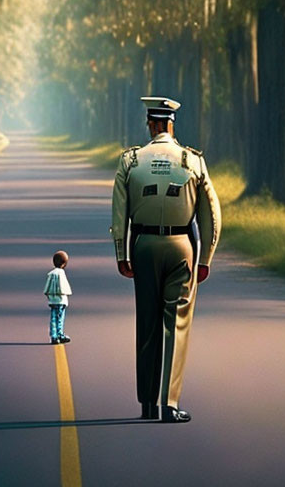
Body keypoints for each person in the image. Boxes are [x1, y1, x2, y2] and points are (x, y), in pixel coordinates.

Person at [110, 96, 221, 423]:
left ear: (151, 124)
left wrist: (122, 252)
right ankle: (168, 404)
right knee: (177, 323)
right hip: (181, 246)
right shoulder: (192, 160)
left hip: (143, 244)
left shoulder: (131, 160)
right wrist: (206, 257)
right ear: (171, 124)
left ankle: (146, 402)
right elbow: (211, 214)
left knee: (147, 322)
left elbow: (119, 213)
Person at [44, 250, 73, 344]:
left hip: (52, 300)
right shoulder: (61, 273)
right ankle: (59, 334)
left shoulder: (51, 273)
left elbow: (47, 286)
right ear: (64, 264)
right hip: (60, 300)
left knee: (53, 318)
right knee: (60, 318)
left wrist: (48, 294)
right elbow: (63, 286)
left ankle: (53, 336)